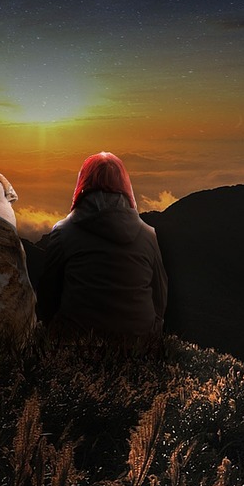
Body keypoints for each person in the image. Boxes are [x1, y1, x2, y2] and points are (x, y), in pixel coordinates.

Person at [36, 152, 168, 355]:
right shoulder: (148, 235)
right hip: (140, 345)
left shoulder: (63, 233)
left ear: (82, 185)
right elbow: (160, 297)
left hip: (75, 345)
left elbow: (47, 299)